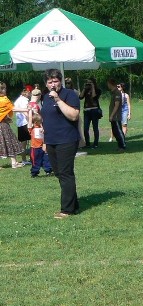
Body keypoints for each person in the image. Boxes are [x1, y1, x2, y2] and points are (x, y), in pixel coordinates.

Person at [41, 69, 81, 218]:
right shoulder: (45, 97)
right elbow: (47, 118)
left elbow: (73, 115)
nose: (53, 84)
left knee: (65, 173)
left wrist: (58, 99)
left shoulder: (69, 94)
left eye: (55, 81)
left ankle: (67, 210)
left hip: (67, 139)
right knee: (58, 173)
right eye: (50, 81)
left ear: (60, 81)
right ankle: (74, 204)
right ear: (46, 83)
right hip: (51, 140)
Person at [0, 82, 25, 169]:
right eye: (3, 88)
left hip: (3, 122)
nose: (5, 90)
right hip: (2, 125)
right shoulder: (4, 99)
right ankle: (14, 163)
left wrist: (5, 118)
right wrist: (26, 109)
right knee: (10, 141)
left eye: (5, 88)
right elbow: (13, 108)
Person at [27, 113, 52, 177]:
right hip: (34, 148)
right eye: (40, 121)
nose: (41, 122)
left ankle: (48, 171)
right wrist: (30, 111)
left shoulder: (42, 128)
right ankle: (34, 173)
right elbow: (30, 119)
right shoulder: (31, 128)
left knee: (46, 159)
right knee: (35, 161)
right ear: (35, 122)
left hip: (42, 147)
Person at [80, 78, 102, 148]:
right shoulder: (86, 90)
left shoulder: (98, 90)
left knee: (95, 127)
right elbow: (80, 97)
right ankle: (87, 143)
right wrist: (84, 88)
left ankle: (95, 143)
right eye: (88, 83)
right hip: (87, 110)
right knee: (85, 128)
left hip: (94, 110)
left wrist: (92, 87)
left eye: (90, 83)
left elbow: (94, 97)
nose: (88, 84)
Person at [106, 79, 127, 151]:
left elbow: (116, 105)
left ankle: (123, 145)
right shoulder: (113, 92)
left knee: (118, 131)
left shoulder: (117, 93)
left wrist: (112, 115)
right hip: (114, 116)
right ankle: (120, 146)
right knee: (115, 131)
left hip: (116, 116)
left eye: (108, 84)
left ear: (111, 84)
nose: (107, 85)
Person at [13, 87, 31, 164]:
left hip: (20, 123)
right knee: (25, 142)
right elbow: (25, 111)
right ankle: (25, 159)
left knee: (23, 142)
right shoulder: (24, 100)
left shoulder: (18, 99)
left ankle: (24, 159)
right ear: (28, 92)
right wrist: (30, 121)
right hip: (25, 122)